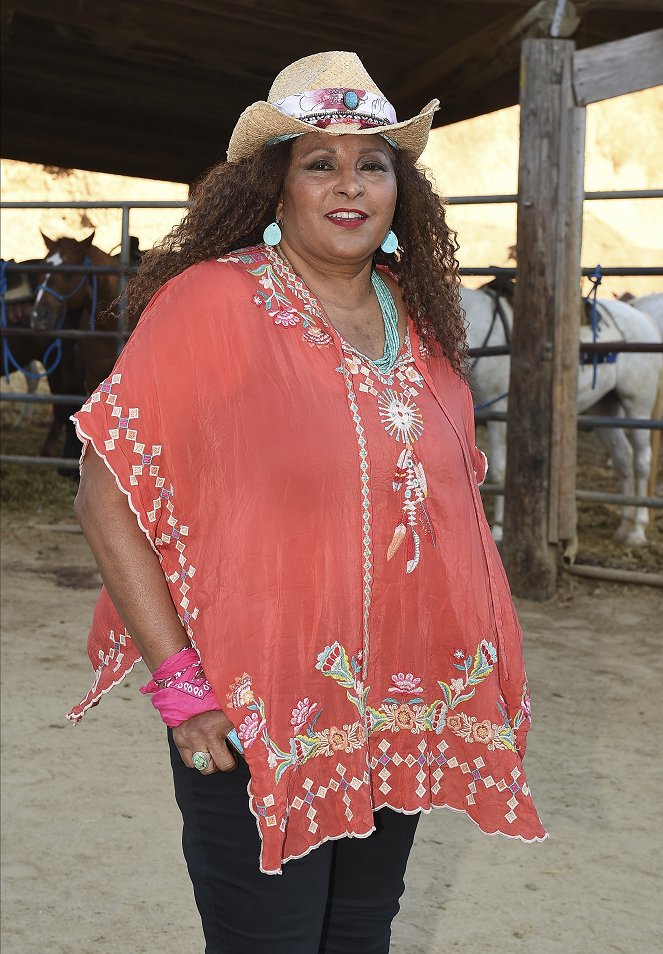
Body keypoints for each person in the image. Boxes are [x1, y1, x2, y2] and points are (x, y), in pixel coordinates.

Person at [70, 51, 546, 954]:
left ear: (399, 191)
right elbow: (105, 492)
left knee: (360, 934)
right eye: (318, 162)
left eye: (373, 163)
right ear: (274, 187)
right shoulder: (213, 302)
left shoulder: (424, 320)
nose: (349, 183)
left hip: (402, 709)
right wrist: (180, 685)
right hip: (256, 709)